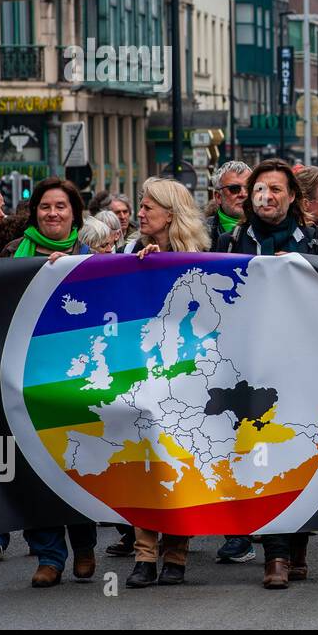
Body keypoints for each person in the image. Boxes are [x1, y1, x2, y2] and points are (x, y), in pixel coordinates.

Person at [216, 158, 318, 588]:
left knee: (298, 454)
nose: (267, 196)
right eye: (259, 188)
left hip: (304, 364)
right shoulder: (232, 240)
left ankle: (297, 546)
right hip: (250, 368)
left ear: (292, 197)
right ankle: (276, 556)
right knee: (260, 456)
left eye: (276, 189)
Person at [4, 178, 96, 586]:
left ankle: (84, 544)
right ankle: (48, 555)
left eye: (61, 206)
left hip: (78, 377)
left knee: (77, 459)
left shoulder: (92, 256)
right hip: (27, 376)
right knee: (35, 465)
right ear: (34, 212)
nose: (52, 213)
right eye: (45, 207)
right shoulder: (9, 255)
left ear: (74, 213)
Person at [118, 177, 210, 588]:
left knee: (181, 460)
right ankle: (144, 555)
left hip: (189, 377)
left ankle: (177, 553)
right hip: (143, 375)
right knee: (146, 462)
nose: (140, 213)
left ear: (170, 214)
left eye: (148, 206)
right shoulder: (129, 253)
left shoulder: (204, 257)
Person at [206, 160, 252, 251]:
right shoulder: (199, 233)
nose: (243, 194)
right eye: (234, 189)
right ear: (218, 197)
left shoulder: (269, 230)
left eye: (249, 188)